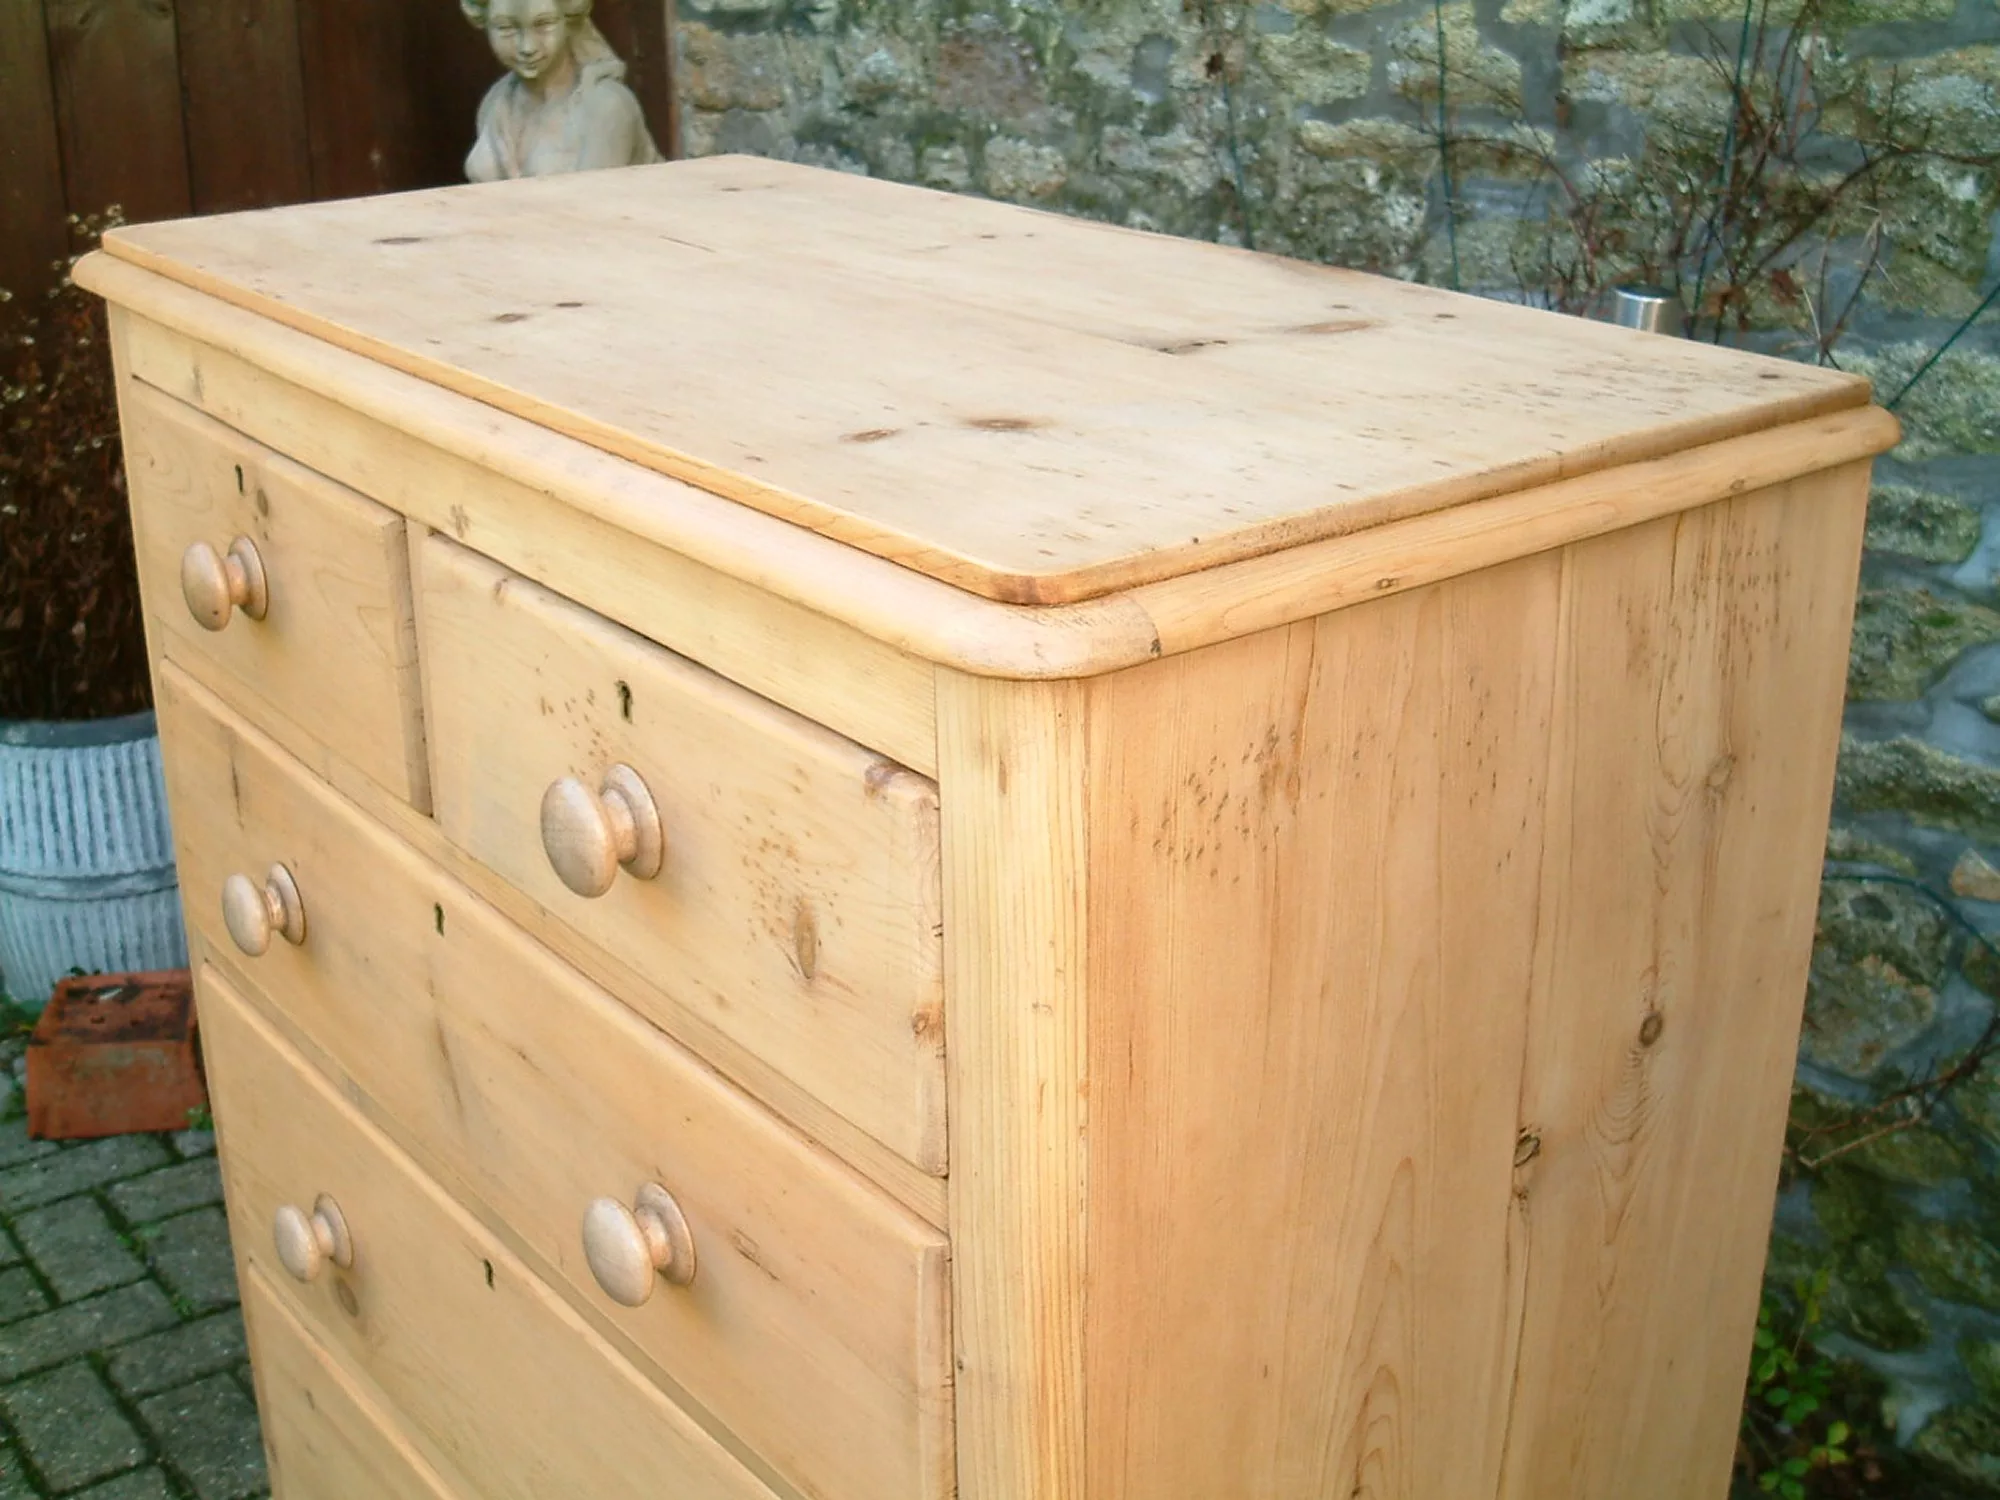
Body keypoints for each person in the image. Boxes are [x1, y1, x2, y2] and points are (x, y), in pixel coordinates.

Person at [463, 0, 662, 182]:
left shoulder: (607, 106)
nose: (527, 47)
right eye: (506, 28)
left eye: (544, 25)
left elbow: (593, 207)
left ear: (568, 22)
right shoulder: (496, 100)